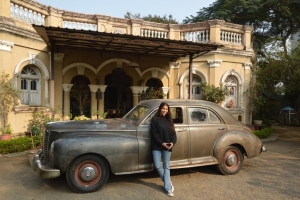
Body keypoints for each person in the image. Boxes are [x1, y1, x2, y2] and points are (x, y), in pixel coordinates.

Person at [150, 102, 177, 197]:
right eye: (163, 108)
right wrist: (162, 143)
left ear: (168, 110)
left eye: (166, 109)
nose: (165, 110)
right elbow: (154, 134)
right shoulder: (154, 119)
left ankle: (168, 189)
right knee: (157, 166)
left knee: (166, 167)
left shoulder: (169, 120)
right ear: (160, 109)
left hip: (168, 146)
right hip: (157, 146)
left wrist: (172, 143)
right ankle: (168, 182)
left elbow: (173, 134)